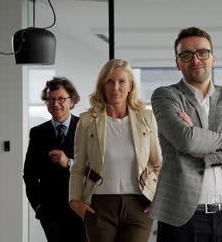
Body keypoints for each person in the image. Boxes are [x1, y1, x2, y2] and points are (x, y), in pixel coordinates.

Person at [149, 27, 222, 242]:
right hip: (181, 218)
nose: (195, 59)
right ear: (177, 62)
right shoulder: (166, 96)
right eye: (186, 55)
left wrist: (207, 155)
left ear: (213, 58)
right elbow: (187, 140)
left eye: (202, 52)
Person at [68, 59, 162, 242]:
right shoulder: (87, 121)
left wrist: (158, 199)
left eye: (121, 81)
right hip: (99, 205)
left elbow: (158, 164)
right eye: (110, 81)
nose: (115, 87)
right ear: (102, 85)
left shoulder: (147, 118)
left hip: (139, 204)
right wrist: (74, 201)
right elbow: (78, 166)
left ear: (130, 86)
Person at [23, 77, 85, 242]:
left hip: (82, 208)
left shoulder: (86, 128)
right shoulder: (37, 133)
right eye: (51, 99)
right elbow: (29, 174)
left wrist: (69, 163)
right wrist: (38, 206)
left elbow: (96, 168)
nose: (56, 103)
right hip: (51, 213)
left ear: (72, 102)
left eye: (61, 99)